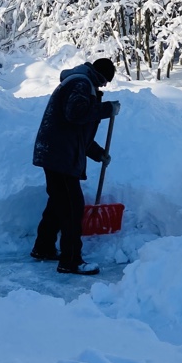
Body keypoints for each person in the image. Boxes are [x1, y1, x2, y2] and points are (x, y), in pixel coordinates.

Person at [31, 58, 121, 275]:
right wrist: (106, 109)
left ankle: (43, 247)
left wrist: (98, 153)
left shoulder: (81, 83)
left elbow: (78, 132)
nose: (103, 87)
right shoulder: (81, 83)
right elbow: (76, 114)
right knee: (73, 207)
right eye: (104, 83)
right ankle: (70, 261)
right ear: (101, 76)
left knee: (58, 202)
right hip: (59, 154)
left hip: (56, 151)